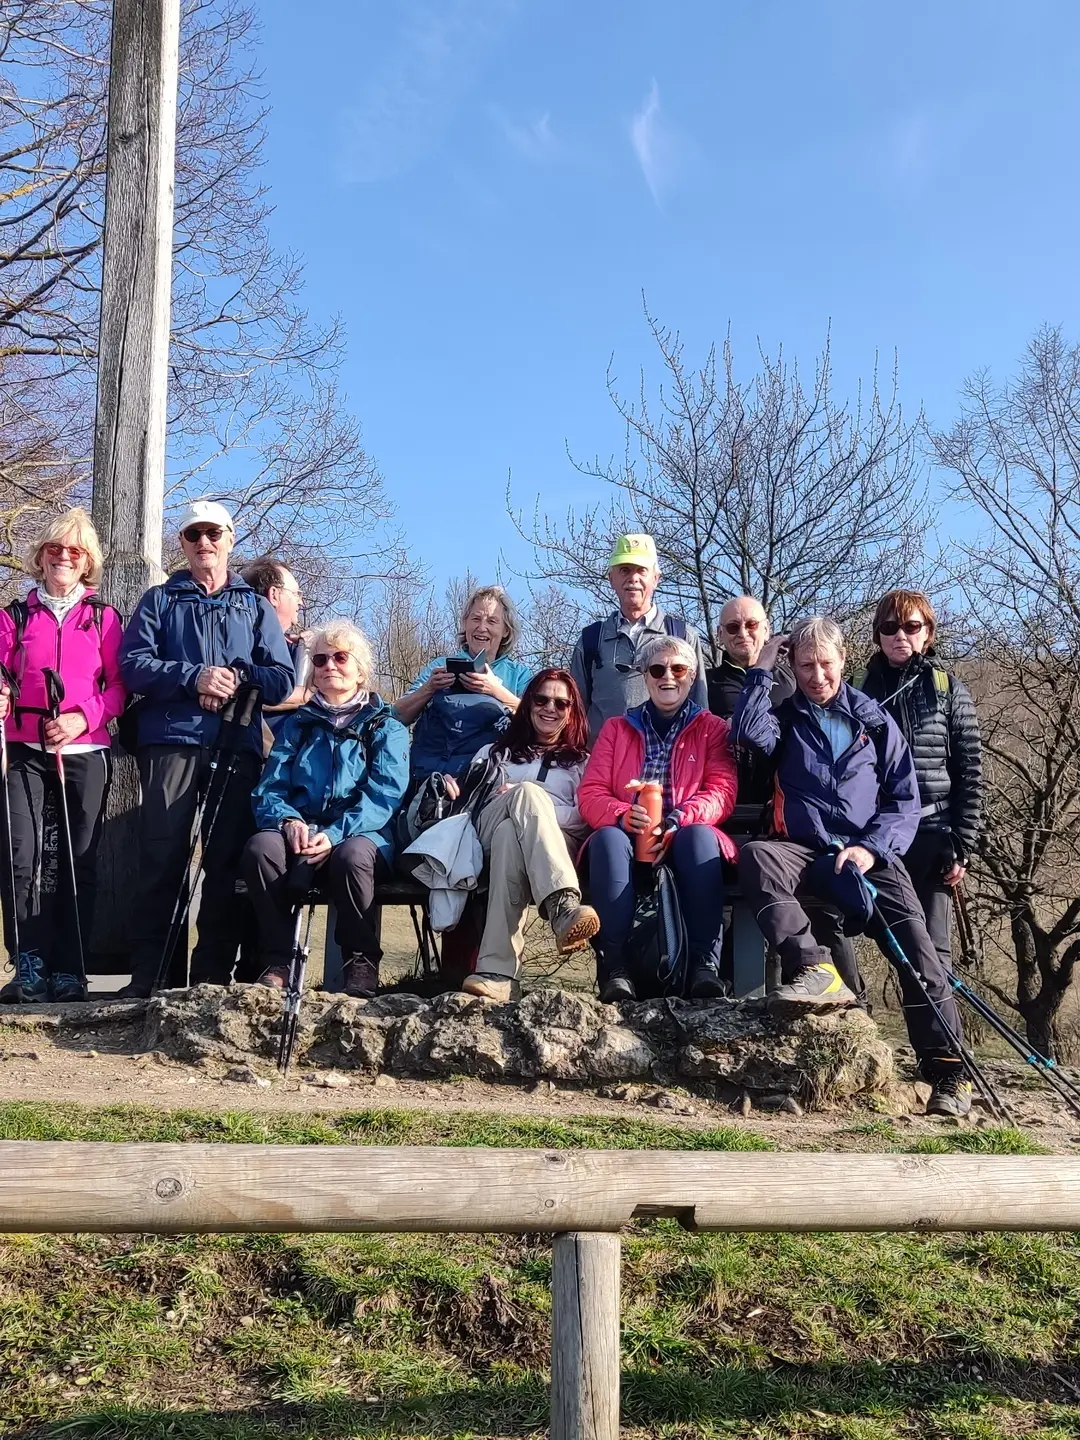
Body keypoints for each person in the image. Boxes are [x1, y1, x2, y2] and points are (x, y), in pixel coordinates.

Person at [732, 616, 973, 1117]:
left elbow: (905, 800)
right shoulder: (784, 717)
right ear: (792, 667)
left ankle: (948, 1073)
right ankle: (812, 966)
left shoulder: (875, 720)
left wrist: (870, 849)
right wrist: (761, 668)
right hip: (807, 854)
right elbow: (747, 734)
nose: (816, 675)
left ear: (844, 660)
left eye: (825, 663)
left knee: (922, 957)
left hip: (870, 856)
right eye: (804, 665)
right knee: (757, 856)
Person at [117, 500, 294, 997]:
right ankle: (152, 977)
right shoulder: (159, 600)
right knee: (161, 857)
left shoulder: (255, 606)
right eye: (194, 535)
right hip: (170, 742)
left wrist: (236, 678)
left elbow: (281, 681)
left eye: (213, 534)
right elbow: (131, 665)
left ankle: (210, 979)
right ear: (183, 543)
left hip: (236, 745)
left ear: (230, 539)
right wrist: (193, 676)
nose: (204, 543)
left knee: (224, 865)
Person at [242, 620, 409, 998]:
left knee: (353, 856)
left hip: (362, 836)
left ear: (361, 670)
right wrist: (287, 820)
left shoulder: (386, 727)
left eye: (340, 657)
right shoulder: (297, 725)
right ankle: (277, 961)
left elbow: (385, 794)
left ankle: (360, 962)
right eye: (320, 659)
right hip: (301, 830)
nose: (329, 665)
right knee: (260, 848)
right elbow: (269, 788)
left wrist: (333, 834)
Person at [0, 509, 125, 1003]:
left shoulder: (104, 618)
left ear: (87, 561)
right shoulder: (14, 615)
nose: (64, 558)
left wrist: (82, 717)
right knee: (19, 855)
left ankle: (72, 966)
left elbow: (119, 687)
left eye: (75, 552)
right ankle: (28, 962)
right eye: (55, 549)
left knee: (79, 857)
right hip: (24, 748)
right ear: (41, 556)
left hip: (84, 748)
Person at [577, 634, 737, 1002]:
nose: (668, 677)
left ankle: (703, 966)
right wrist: (622, 815)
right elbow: (592, 791)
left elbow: (721, 791)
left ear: (692, 675)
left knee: (699, 837)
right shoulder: (617, 729)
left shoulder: (712, 729)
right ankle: (614, 968)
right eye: (657, 669)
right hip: (629, 839)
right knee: (606, 839)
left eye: (678, 669)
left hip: (685, 837)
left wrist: (680, 818)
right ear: (645, 677)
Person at [450, 669, 599, 1003]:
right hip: (482, 838)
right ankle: (562, 907)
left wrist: (537, 809)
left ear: (572, 711)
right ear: (528, 702)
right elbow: (469, 809)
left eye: (562, 703)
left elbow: (585, 816)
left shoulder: (582, 762)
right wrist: (520, 797)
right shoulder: (493, 752)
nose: (550, 708)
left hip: (553, 847)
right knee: (520, 803)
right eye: (541, 699)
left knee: (510, 834)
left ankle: (498, 974)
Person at [855, 589, 982, 974]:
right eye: (890, 627)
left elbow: (970, 770)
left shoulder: (948, 689)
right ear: (878, 634)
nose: (900, 636)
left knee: (934, 955)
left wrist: (963, 842)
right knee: (896, 949)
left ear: (928, 633)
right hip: (879, 837)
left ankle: (942, 1036)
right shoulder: (857, 689)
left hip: (934, 835)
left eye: (911, 626)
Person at [570, 534, 708, 744]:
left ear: (656, 578)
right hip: (603, 765)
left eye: (641, 570)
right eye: (624, 570)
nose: (633, 578)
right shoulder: (590, 640)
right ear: (611, 578)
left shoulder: (684, 636)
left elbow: (700, 710)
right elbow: (574, 713)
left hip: (668, 764)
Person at [394, 585, 532, 781]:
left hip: (487, 778)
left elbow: (538, 722)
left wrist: (496, 691)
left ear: (506, 631)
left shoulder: (519, 676)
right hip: (430, 776)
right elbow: (397, 715)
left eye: (492, 621)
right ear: (465, 624)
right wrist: (429, 688)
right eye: (475, 619)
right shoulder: (441, 666)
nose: (482, 627)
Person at [240, 556, 311, 733]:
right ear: (274, 595)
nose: (301, 602)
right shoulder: (239, 642)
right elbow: (242, 693)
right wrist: (308, 695)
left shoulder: (300, 649)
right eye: (296, 594)